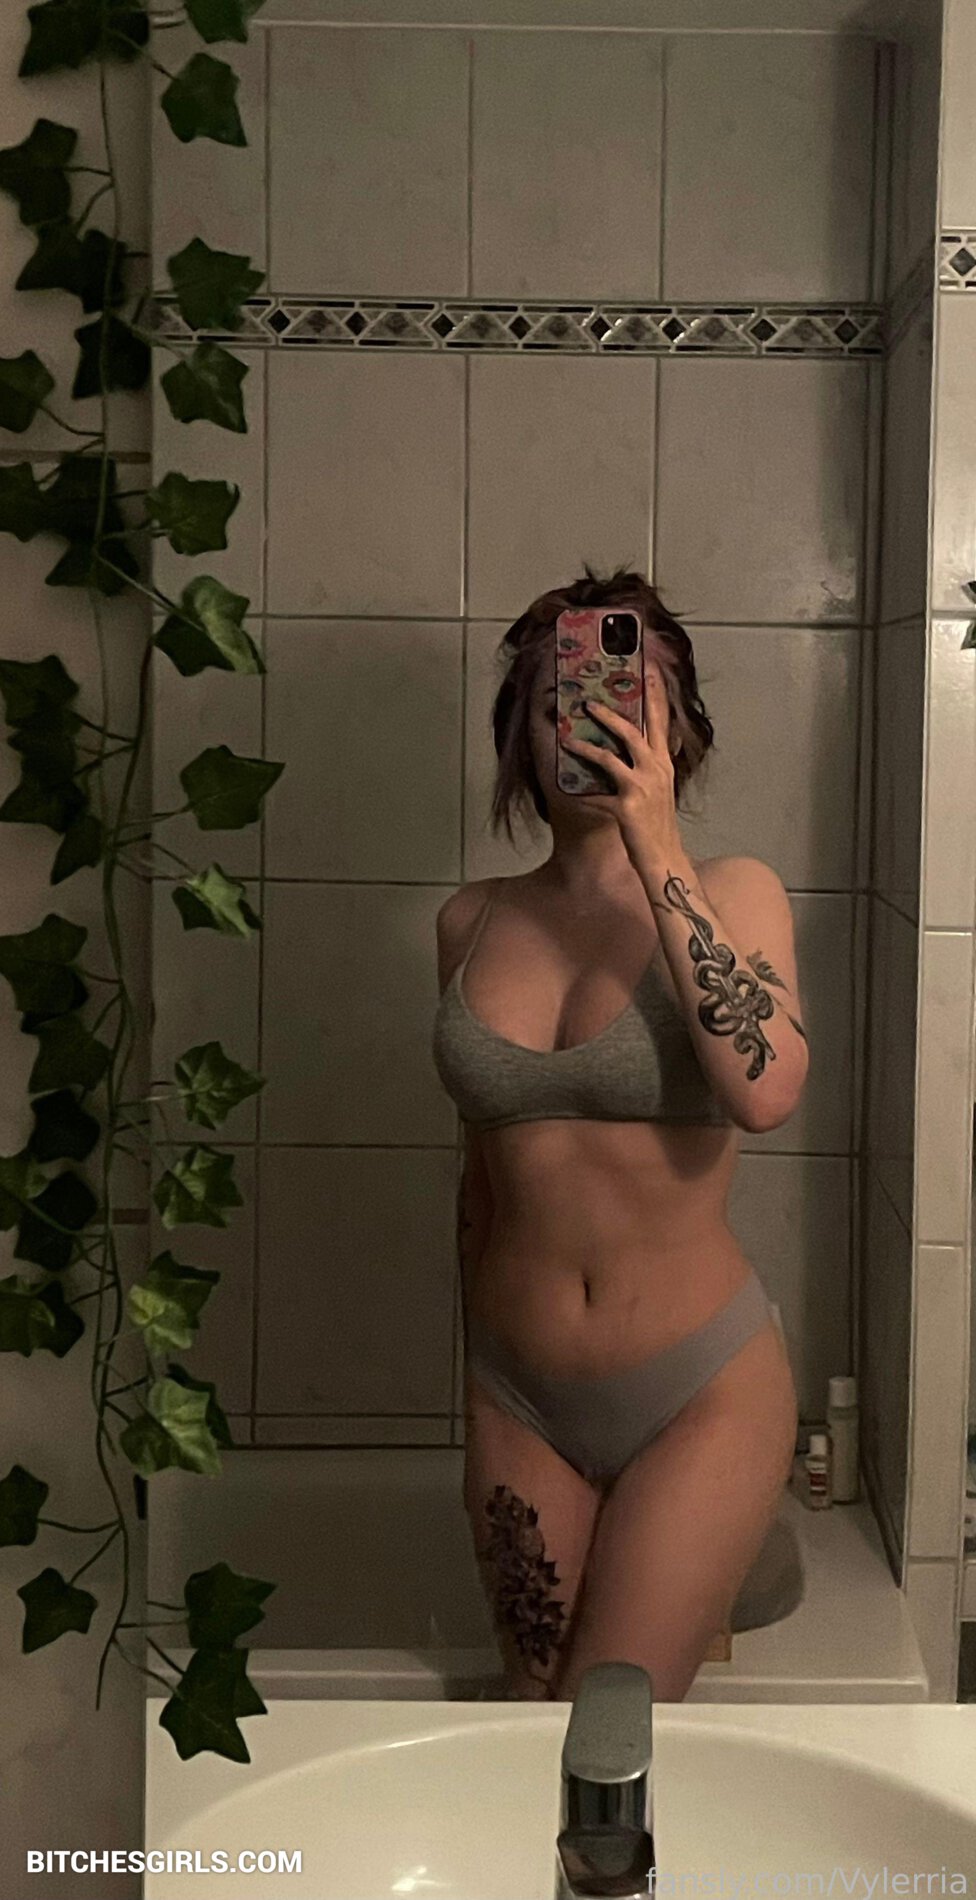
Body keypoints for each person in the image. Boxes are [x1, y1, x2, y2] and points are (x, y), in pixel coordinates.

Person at [431, 564, 807, 1702]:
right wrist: (478, 1378)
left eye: (628, 695)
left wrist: (655, 847)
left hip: (698, 1388)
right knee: (528, 1715)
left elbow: (765, 1091)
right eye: (562, 698)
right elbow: (481, 1181)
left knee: (608, 1722)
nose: (590, 720)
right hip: (517, 1393)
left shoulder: (735, 892)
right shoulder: (470, 920)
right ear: (518, 734)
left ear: (680, 731)